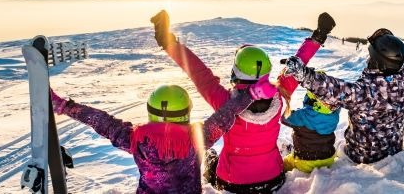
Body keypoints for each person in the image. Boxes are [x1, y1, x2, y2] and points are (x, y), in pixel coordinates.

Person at [151, 10, 335, 193]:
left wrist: (168, 42)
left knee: (210, 158)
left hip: (233, 182)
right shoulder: (280, 94)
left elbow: (198, 72)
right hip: (273, 179)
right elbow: (298, 63)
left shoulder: (225, 103)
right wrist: (319, 35)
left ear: (236, 71)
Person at [45, 49, 277, 194]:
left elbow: (102, 121)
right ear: (186, 112)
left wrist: (65, 106)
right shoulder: (198, 138)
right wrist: (251, 94)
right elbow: (226, 115)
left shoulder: (135, 139)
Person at [283, 14, 404, 164]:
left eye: (371, 57)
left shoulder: (366, 91)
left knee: (337, 150)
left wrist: (302, 74)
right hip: (394, 150)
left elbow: (332, 89)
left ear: (377, 62)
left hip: (360, 157)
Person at [281, 79, 341, 173]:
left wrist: (293, 111)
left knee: (285, 163)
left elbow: (284, 118)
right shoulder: (334, 116)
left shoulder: (303, 116)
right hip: (328, 159)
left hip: (305, 162)